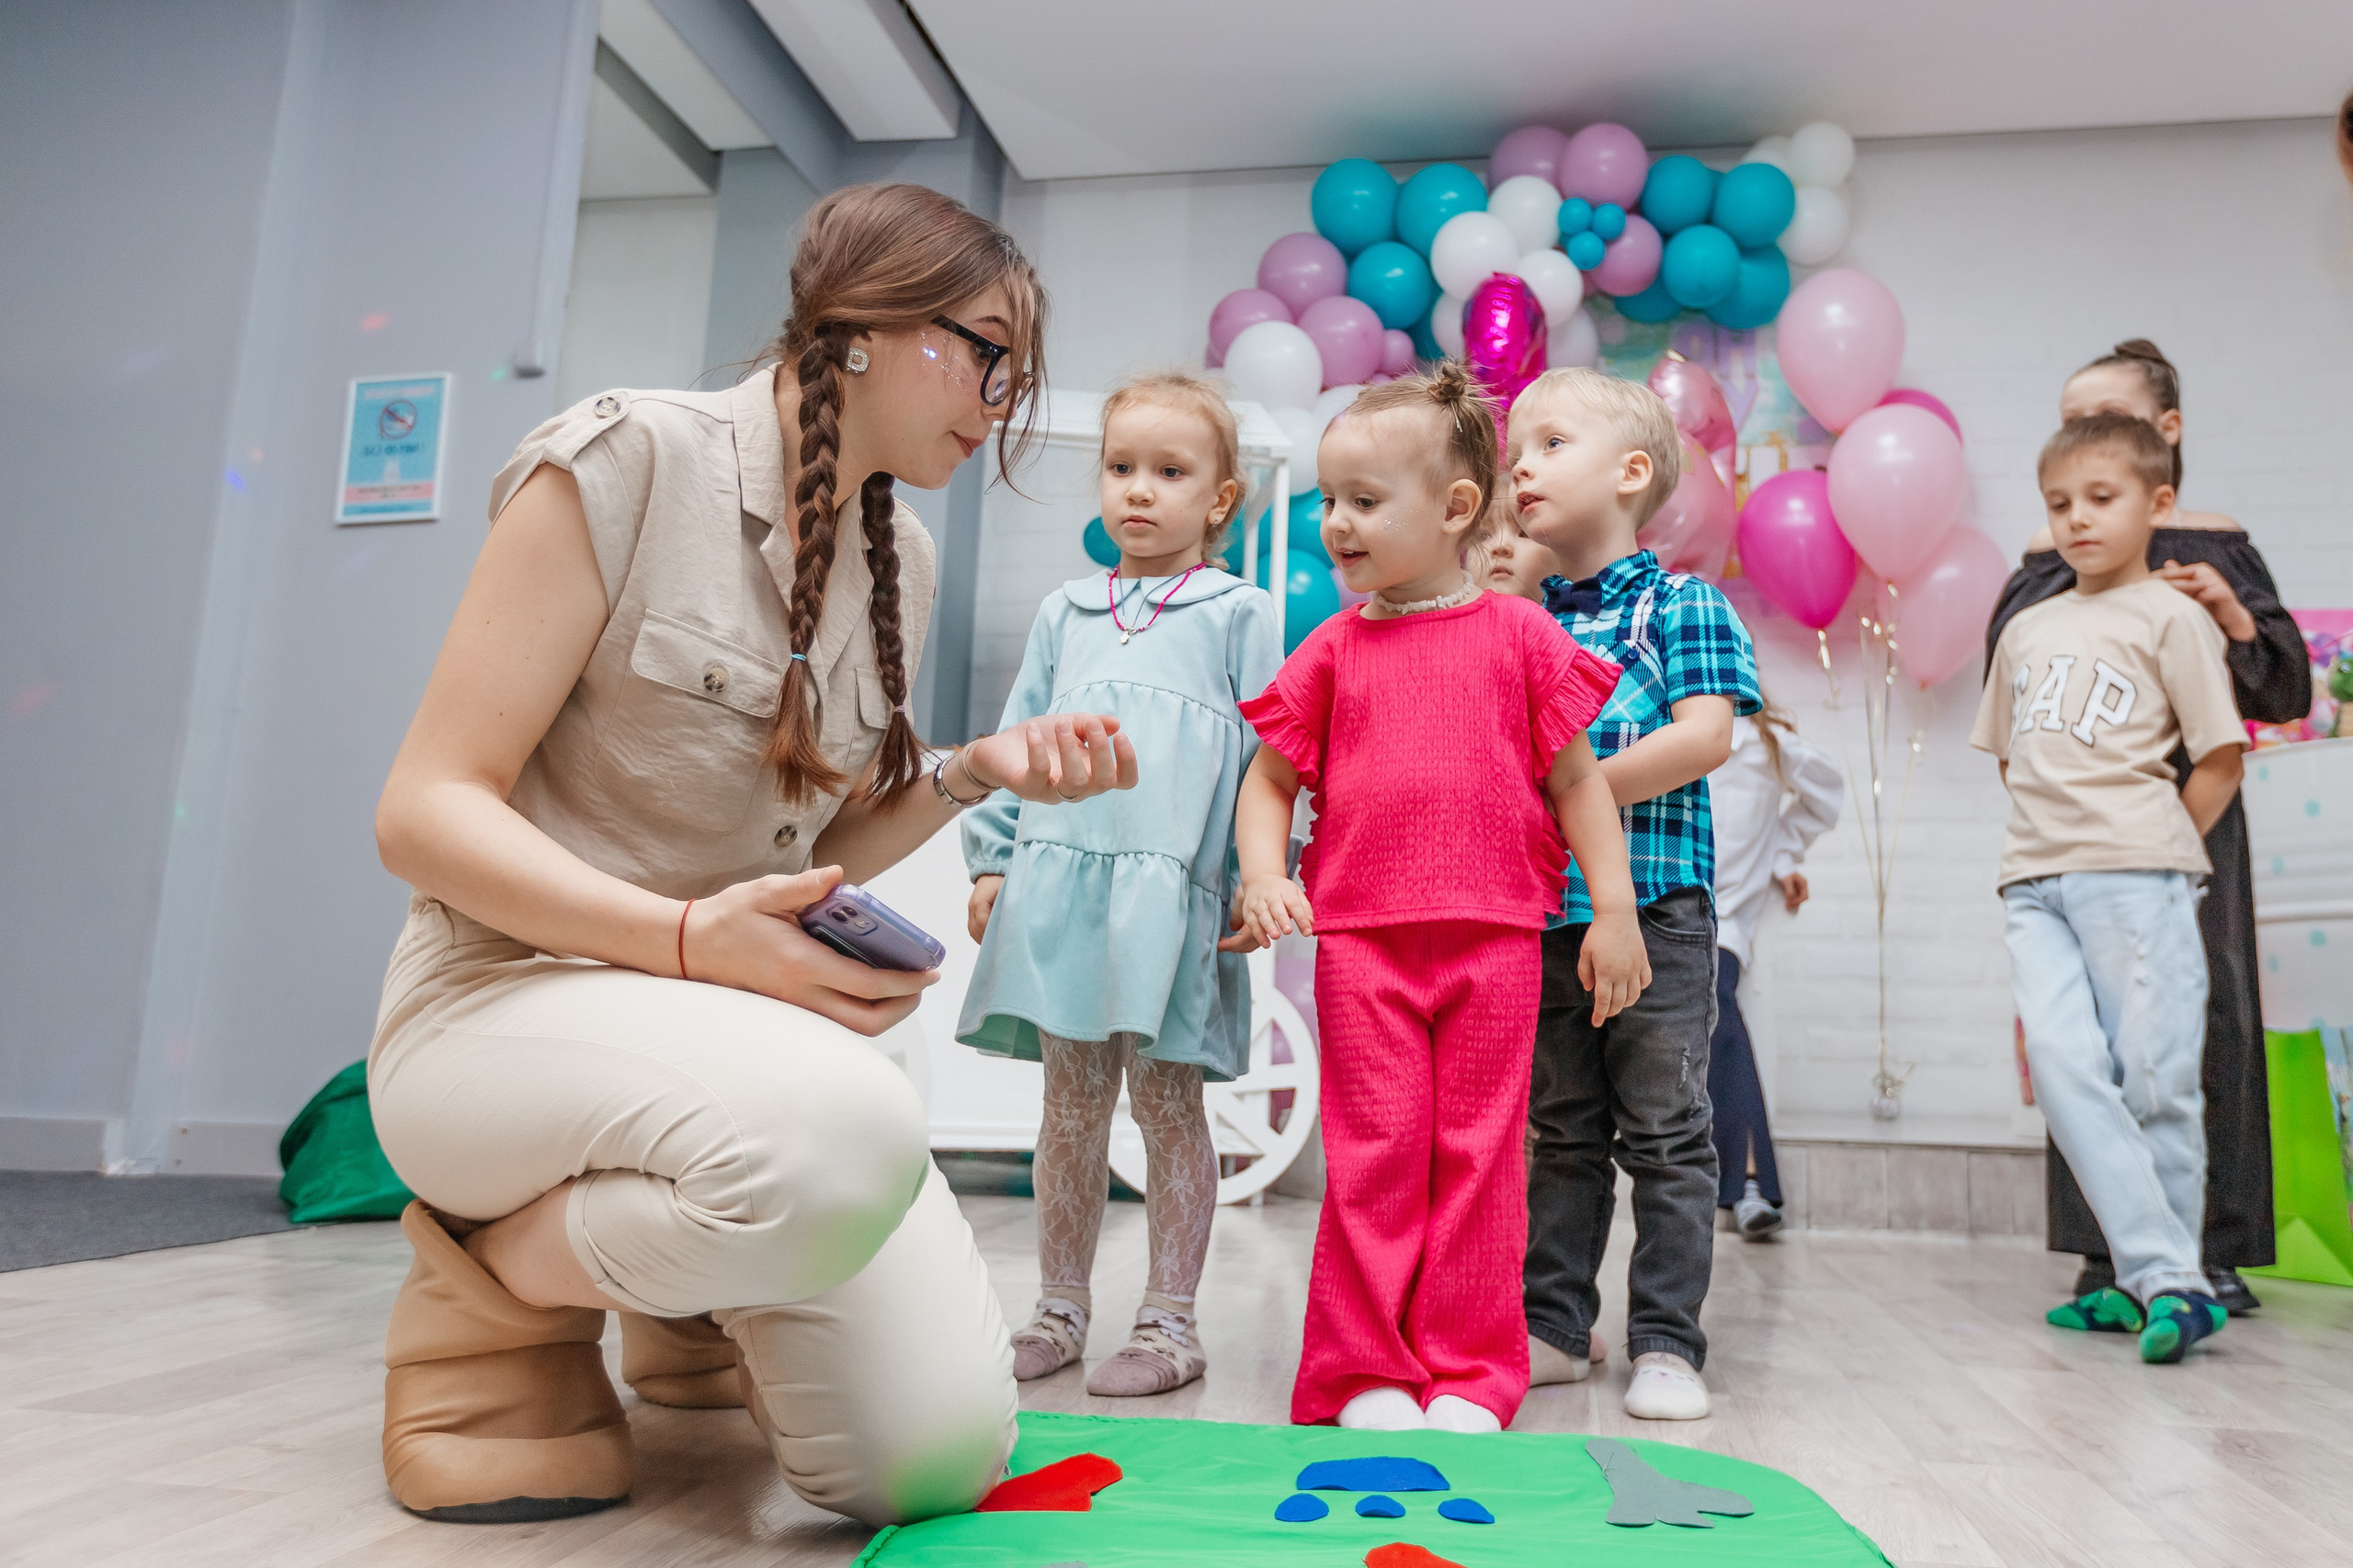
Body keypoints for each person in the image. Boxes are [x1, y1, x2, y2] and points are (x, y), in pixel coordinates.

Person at [364, 184, 1143, 1528]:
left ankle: (684, 1297)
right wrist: (685, 940)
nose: (1003, 400)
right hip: (496, 1006)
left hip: (710, 1047)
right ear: (868, 329)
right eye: (989, 355)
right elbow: (423, 811)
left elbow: (809, 846)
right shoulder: (625, 460)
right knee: (845, 1124)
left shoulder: (898, 555)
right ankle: (493, 1273)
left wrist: (973, 768)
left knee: (933, 1460)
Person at [1230, 367, 1641, 1434]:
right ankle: (1360, 1368)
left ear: (1456, 507)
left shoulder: (1521, 636)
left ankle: (1467, 1369)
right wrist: (1266, 874)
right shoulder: (1331, 647)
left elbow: (1579, 781)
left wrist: (1613, 909)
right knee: (1374, 1156)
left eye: (1364, 500)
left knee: (1479, 1160)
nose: (1335, 522)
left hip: (1495, 942)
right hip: (1361, 945)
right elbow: (1267, 780)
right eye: (1330, 498)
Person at [959, 372, 1279, 1398]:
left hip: (1172, 899)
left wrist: (1257, 876)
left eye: (1169, 471)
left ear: (1219, 499)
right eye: (1120, 467)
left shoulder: (1241, 613)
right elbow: (1017, 737)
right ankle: (1057, 1310)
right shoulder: (1066, 609)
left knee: (1168, 1102)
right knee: (1069, 1104)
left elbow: (1271, 762)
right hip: (1060, 884)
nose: (1139, 489)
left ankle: (1170, 1324)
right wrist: (994, 856)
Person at [1985, 340, 2310, 1316]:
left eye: (2111, 423)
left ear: (2164, 439)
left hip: (2177, 827)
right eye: (2070, 427)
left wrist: (2233, 618)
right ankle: (2112, 1254)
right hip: (2064, 840)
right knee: (2077, 1047)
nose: (2086, 443)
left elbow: (2279, 695)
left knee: (2191, 1037)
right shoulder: (2047, 571)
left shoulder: (2218, 550)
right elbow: (2015, 696)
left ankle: (2205, 1251)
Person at [1508, 366, 1761, 1422]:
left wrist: (1577, 792)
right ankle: (1555, 1325)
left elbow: (1705, 736)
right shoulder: (1519, 623)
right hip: (1543, 915)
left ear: (1629, 473)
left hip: (1656, 907)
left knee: (1664, 1130)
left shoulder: (1681, 600)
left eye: (1549, 444)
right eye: (1514, 452)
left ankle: (1665, 1338)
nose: (1521, 467)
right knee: (1561, 1130)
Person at [1974, 413, 2247, 1363]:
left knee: (2155, 1079)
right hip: (2033, 882)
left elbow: (2220, 758)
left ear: (2157, 503)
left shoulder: (2171, 617)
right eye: (2059, 504)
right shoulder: (2027, 628)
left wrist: (2154, 845)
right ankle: (2162, 1278)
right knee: (2063, 1069)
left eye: (2101, 498)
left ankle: (2158, 1282)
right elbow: (2010, 756)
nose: (2077, 519)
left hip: (2137, 873)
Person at [1705, 698, 1842, 1239]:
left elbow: (1826, 791)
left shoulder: (1764, 746)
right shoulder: (1668, 731)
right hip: (1661, 916)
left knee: (1719, 1017)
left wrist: (1781, 854)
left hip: (1723, 923)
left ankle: (1750, 1182)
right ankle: (1741, 1183)